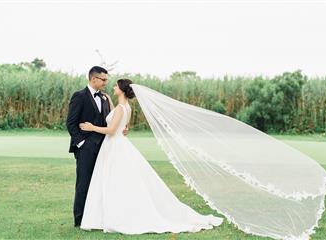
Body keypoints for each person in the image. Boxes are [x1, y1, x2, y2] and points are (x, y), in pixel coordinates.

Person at [79, 78, 223, 234]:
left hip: (114, 145)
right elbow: (119, 120)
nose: (113, 87)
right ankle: (110, 215)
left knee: (114, 180)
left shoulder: (121, 108)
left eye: (116, 85)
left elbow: (112, 130)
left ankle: (116, 215)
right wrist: (110, 103)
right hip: (118, 145)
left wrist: (91, 127)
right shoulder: (126, 107)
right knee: (117, 180)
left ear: (121, 89)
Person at [66, 66, 128, 227]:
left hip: (105, 147)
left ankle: (97, 218)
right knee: (84, 184)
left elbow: (110, 121)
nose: (106, 83)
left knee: (101, 183)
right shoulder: (79, 96)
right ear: (93, 79)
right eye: (104, 80)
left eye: (107, 80)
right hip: (86, 148)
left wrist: (122, 128)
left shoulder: (106, 98)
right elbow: (71, 123)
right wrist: (81, 144)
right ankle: (80, 220)